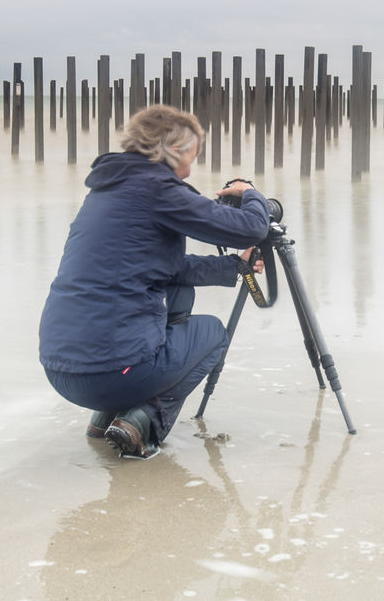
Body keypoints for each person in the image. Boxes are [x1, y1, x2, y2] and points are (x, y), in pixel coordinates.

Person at [39, 104, 272, 458]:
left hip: (61, 370)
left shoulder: (108, 189)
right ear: (177, 151)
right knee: (212, 334)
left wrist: (232, 268)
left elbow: (161, 268)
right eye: (194, 154)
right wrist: (251, 193)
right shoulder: (157, 189)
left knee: (155, 305)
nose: (193, 166)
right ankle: (144, 423)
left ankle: (106, 420)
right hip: (111, 374)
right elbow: (252, 228)